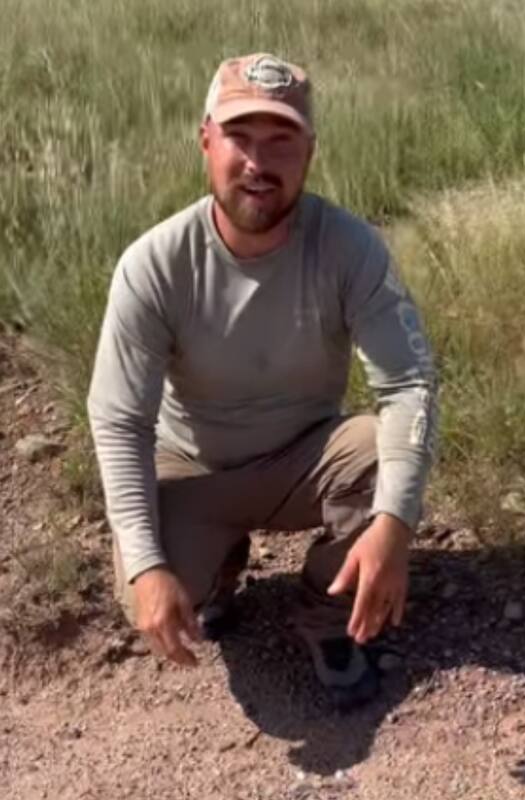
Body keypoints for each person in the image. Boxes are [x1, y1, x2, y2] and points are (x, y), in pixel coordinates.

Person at [87, 53, 437, 708]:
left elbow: (408, 385)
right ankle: (217, 572)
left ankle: (328, 614)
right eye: (240, 137)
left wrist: (396, 525)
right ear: (205, 141)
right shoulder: (155, 264)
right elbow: (120, 421)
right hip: (194, 467)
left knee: (381, 454)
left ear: (310, 152)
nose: (258, 161)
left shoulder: (349, 248)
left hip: (305, 457)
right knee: (145, 579)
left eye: (281, 140)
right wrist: (146, 566)